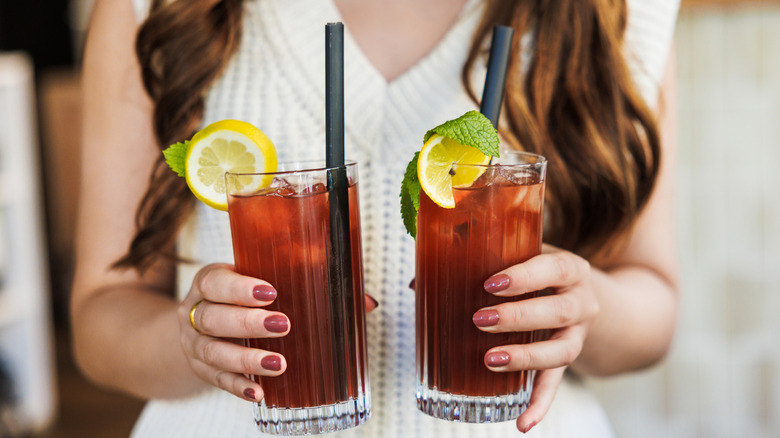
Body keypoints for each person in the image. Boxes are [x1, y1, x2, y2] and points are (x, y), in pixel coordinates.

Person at [71, 0, 680, 436]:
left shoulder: (621, 12)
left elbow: (655, 310)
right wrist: (195, 342)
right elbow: (100, 314)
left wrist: (577, 304)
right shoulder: (155, 10)